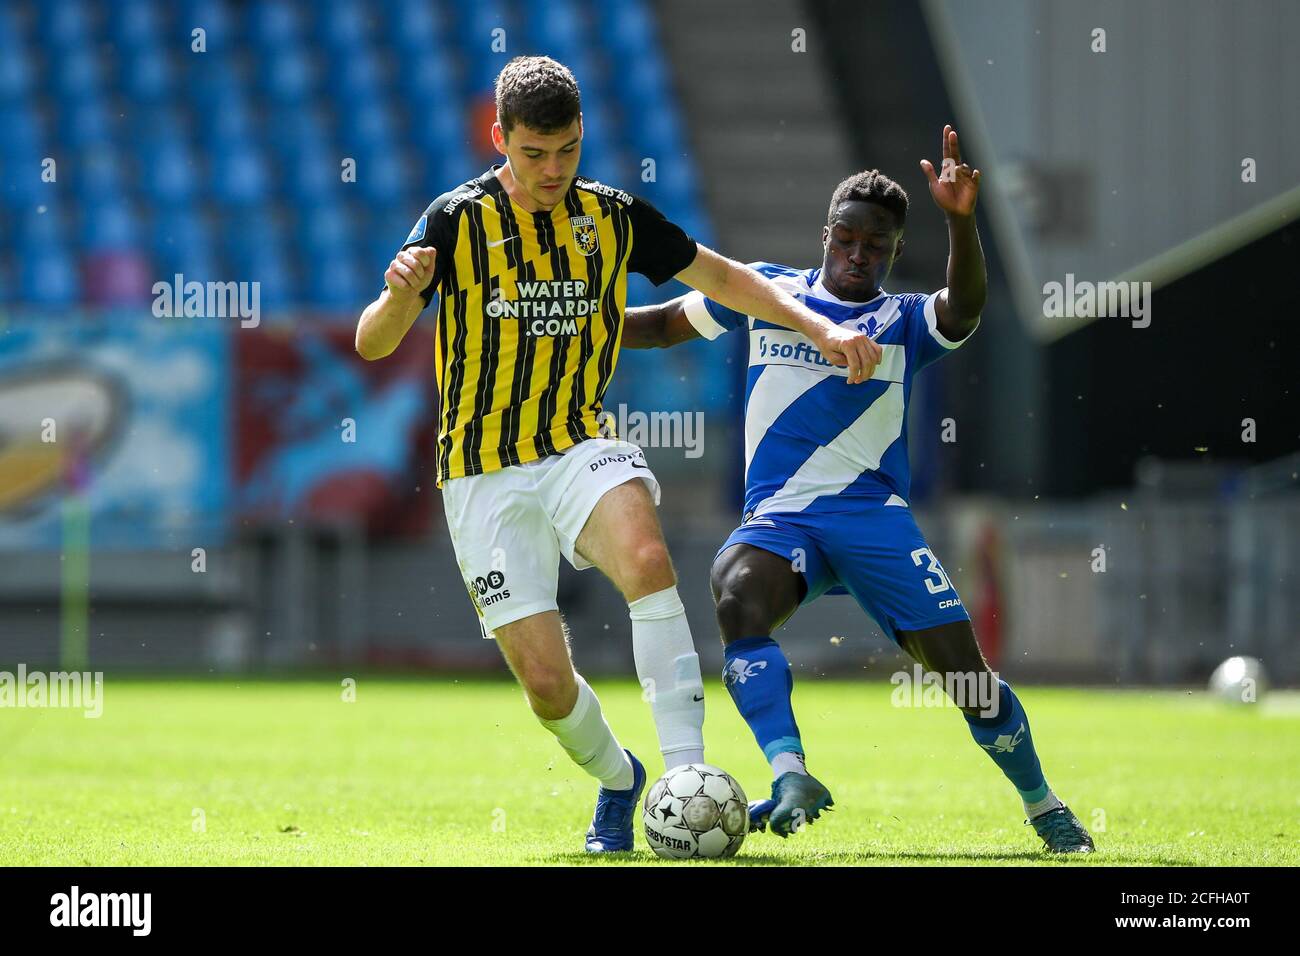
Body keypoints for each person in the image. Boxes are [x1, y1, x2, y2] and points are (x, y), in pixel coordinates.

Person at [354, 56, 878, 853]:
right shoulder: (455, 220)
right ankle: (620, 779)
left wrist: (822, 326)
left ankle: (685, 782)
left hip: (578, 445)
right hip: (480, 471)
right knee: (546, 687)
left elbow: (724, 277)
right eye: (534, 155)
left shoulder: (615, 216)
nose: (553, 170)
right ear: (501, 140)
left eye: (566, 150)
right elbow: (371, 341)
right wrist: (398, 294)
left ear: (581, 136)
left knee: (646, 558)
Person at [621, 127, 1095, 853]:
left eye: (876, 246)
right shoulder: (765, 292)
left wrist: (963, 221)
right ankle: (790, 774)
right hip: (780, 521)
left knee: (968, 680)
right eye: (847, 238)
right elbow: (655, 328)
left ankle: (1043, 805)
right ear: (827, 234)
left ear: (895, 253)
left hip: (874, 522)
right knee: (735, 593)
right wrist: (563, 327)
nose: (857, 254)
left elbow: (963, 308)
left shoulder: (903, 321)